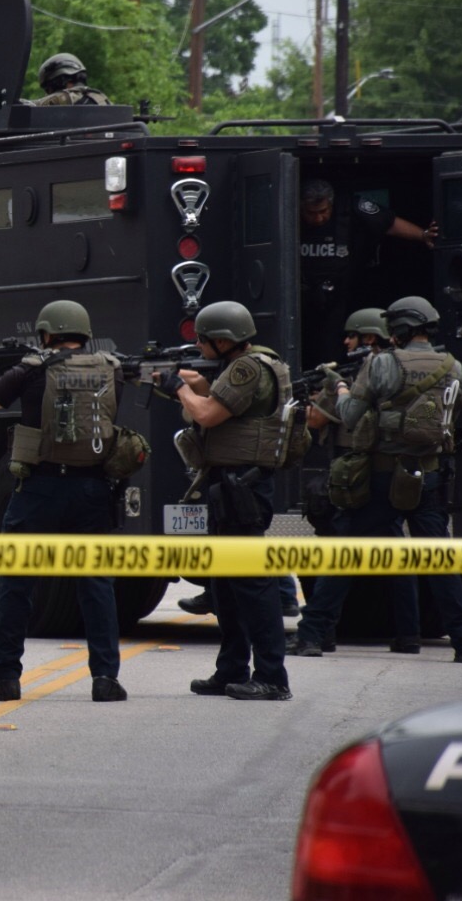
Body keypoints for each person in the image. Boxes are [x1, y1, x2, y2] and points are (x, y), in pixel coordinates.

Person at [0, 300, 128, 704]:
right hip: (93, 489)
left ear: (48, 334)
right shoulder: (111, 368)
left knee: (15, 582)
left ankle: (6, 678)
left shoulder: (34, 369)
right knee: (96, 585)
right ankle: (105, 678)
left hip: (40, 489)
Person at [332, 296, 462, 664]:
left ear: (399, 329)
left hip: (384, 474)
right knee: (438, 562)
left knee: (346, 553)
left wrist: (340, 390)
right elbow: (453, 412)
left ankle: (313, 633)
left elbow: (351, 415)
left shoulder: (383, 362)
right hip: (429, 474)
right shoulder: (453, 365)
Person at [158, 300, 293, 702]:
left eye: (202, 339)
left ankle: (272, 676)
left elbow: (208, 414)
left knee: (252, 586)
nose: (198, 344)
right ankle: (231, 669)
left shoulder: (247, 368)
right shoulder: (256, 364)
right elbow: (215, 397)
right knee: (225, 587)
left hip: (243, 487)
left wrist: (178, 387)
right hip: (230, 485)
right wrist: (187, 382)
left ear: (224, 340)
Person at [291, 308, 394, 656]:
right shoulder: (402, 365)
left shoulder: (365, 371)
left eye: (352, 336)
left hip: (356, 476)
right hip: (395, 473)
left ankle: (315, 632)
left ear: (369, 337)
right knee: (409, 558)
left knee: (335, 558)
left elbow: (316, 420)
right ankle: (410, 634)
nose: (346, 342)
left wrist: (327, 389)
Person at [299, 179, 437, 367]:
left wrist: (423, 235)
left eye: (323, 212)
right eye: (311, 213)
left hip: (338, 296)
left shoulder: (349, 208)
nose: (318, 219)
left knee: (331, 347)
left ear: (331, 204)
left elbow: (388, 223)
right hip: (300, 297)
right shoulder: (289, 209)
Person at [31, 53, 111, 106]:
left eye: (48, 90)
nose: (47, 95)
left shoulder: (69, 96)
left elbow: (34, 106)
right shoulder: (99, 97)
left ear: (61, 82)